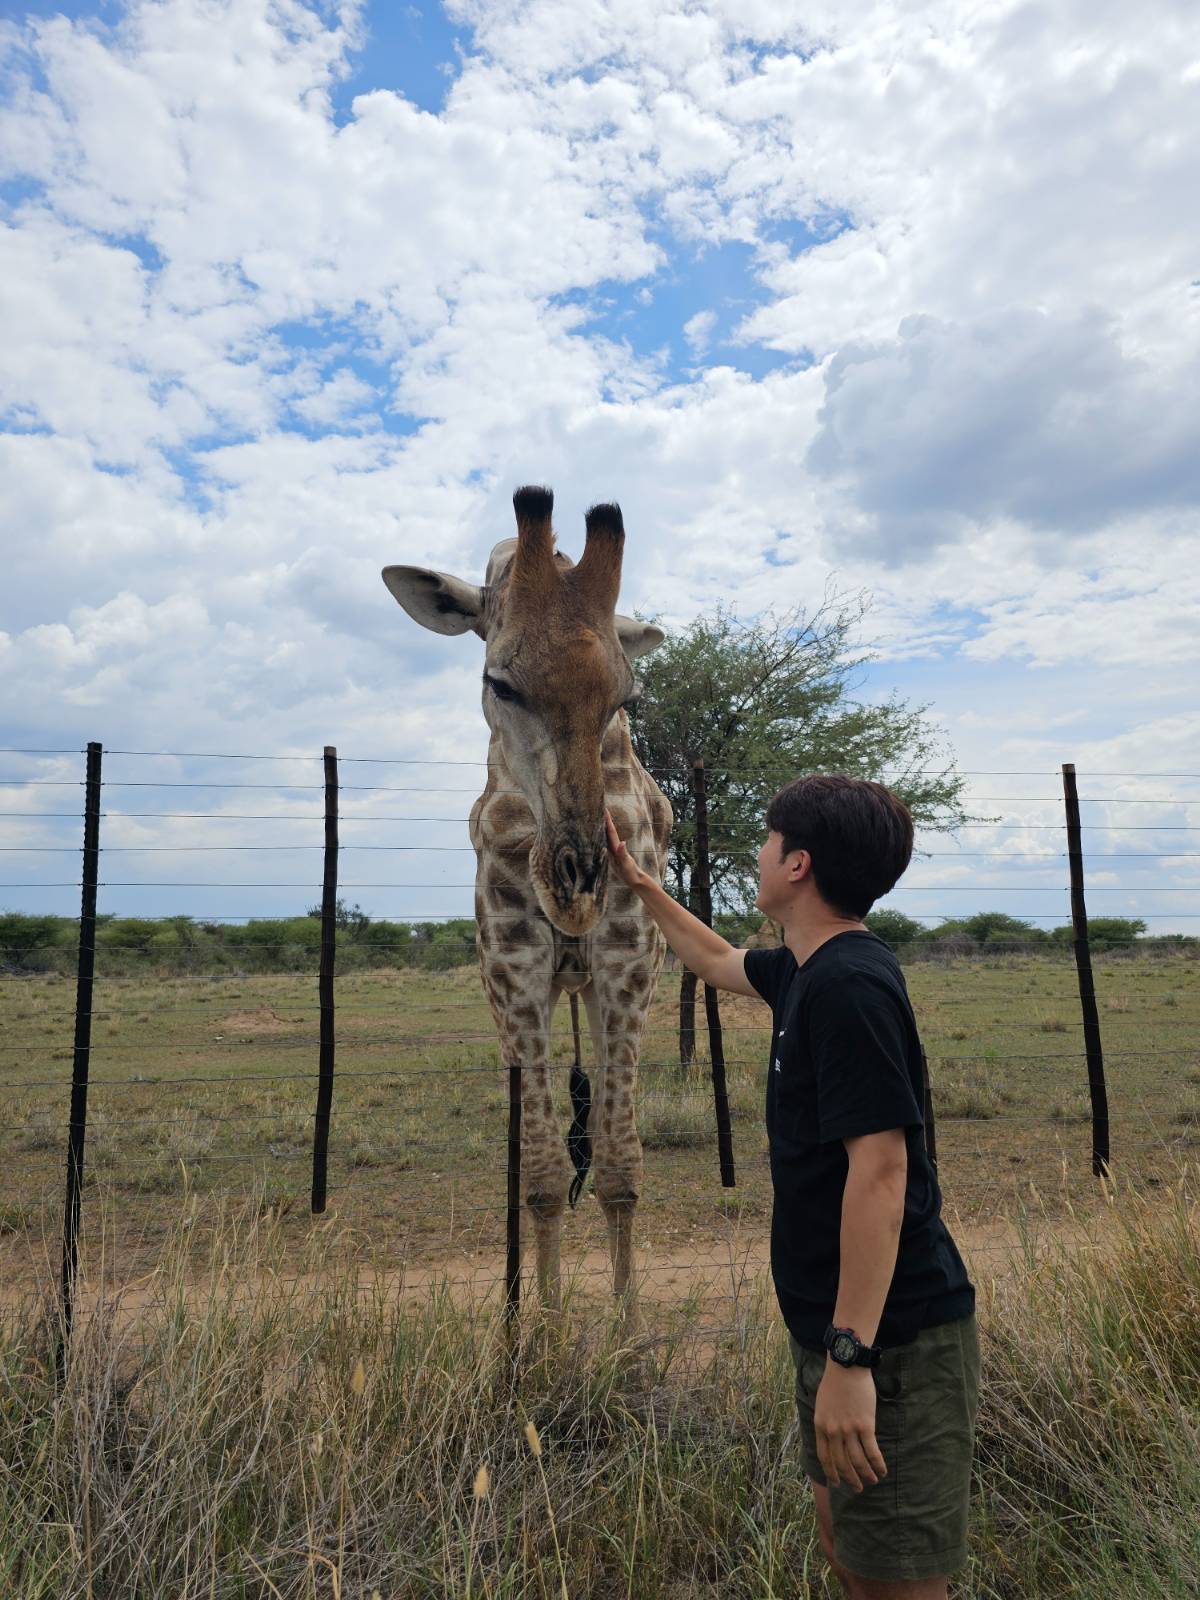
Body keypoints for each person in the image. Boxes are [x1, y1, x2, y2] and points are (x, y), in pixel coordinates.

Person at [604, 773, 978, 1600]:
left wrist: (851, 1360)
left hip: (892, 1345)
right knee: (849, 1556)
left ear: (798, 864)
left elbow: (881, 1176)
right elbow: (712, 957)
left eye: (769, 840)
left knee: (896, 1583)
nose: (758, 852)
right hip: (835, 1329)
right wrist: (642, 888)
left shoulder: (847, 988)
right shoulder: (809, 969)